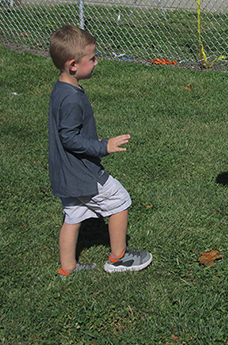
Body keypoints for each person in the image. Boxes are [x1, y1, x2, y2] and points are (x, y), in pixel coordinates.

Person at [48, 25, 152, 277]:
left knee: (73, 215)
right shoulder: (71, 99)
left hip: (65, 172)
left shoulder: (61, 88)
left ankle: (67, 268)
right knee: (120, 200)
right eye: (92, 58)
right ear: (73, 65)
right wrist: (102, 146)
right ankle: (118, 258)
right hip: (84, 172)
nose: (97, 62)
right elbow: (70, 138)